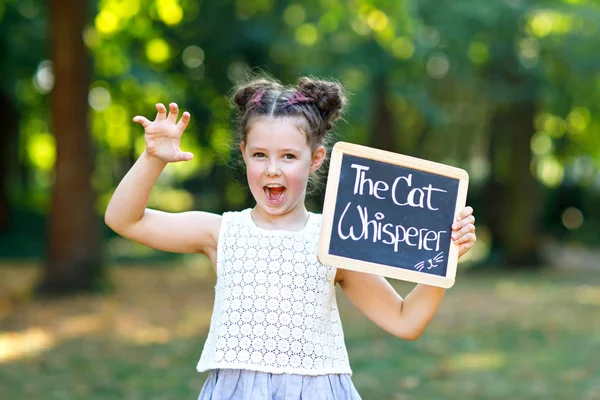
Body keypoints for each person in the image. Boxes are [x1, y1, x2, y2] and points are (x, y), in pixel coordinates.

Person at [104, 76, 477, 399]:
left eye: (288, 157)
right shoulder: (221, 232)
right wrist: (153, 158)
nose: (272, 169)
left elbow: (404, 320)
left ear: (315, 159)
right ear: (244, 155)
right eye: (260, 155)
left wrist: (442, 259)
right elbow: (124, 219)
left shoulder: (334, 240)